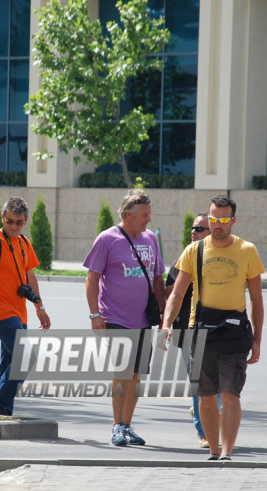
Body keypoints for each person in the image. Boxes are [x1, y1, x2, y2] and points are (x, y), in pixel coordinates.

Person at [164, 194, 264, 461]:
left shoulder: (247, 250)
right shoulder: (194, 251)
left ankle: (227, 453)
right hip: (202, 332)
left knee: (230, 394)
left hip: (234, 333)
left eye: (222, 219)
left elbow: (256, 299)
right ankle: (213, 449)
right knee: (206, 397)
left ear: (232, 220)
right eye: (213, 219)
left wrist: (258, 340)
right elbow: (177, 293)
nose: (217, 224)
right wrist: (166, 324)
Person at [83, 189, 166, 446]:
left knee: (137, 375)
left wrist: (163, 315)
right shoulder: (107, 239)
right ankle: (117, 426)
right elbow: (92, 278)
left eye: (149, 214)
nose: (148, 220)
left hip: (143, 319)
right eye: (144, 215)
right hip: (115, 316)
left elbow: (157, 278)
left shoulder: (150, 239)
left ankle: (128, 425)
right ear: (129, 215)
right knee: (123, 371)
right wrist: (95, 314)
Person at [0, 197, 51, 416]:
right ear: (2, 218)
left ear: (26, 220)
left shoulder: (24, 243)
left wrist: (40, 307)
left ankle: (2, 409)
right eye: (9, 221)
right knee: (27, 356)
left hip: (19, 313)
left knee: (9, 362)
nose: (14, 226)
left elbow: (30, 276)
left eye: (19, 222)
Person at [165, 213, 217, 448]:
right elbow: (170, 292)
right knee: (199, 383)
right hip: (189, 329)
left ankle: (203, 412)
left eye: (200, 228)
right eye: (193, 227)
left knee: (220, 385)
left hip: (220, 329)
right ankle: (204, 432)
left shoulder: (221, 258)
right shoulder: (185, 257)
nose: (194, 231)